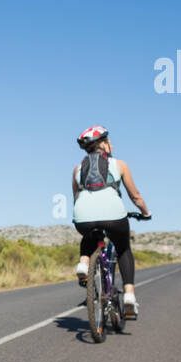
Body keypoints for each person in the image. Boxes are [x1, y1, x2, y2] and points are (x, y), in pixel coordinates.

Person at [71, 126, 150, 318]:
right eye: (109, 142)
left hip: (83, 216)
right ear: (103, 144)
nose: (112, 145)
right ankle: (129, 295)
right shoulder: (120, 165)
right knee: (123, 249)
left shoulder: (77, 169)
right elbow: (135, 196)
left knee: (90, 235)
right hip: (113, 216)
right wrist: (145, 213)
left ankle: (84, 262)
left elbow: (76, 198)